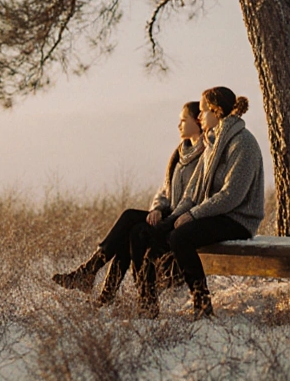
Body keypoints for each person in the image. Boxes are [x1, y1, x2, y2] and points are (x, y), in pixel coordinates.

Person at [51, 101, 207, 305]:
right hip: (167, 214)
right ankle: (99, 285)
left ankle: (93, 276)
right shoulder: (179, 153)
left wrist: (168, 216)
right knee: (131, 226)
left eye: (183, 120)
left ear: (198, 121)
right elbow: (164, 189)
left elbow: (193, 197)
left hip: (183, 220)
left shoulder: (206, 154)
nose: (179, 124)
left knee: (131, 222)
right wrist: (158, 208)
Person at [130, 86, 264, 319]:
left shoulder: (243, 143)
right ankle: (147, 305)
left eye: (203, 111)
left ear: (217, 111)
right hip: (212, 214)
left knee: (180, 236)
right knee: (143, 233)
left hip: (237, 219)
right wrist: (172, 219)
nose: (200, 116)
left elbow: (231, 195)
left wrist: (192, 216)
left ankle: (202, 306)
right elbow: (191, 195)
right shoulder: (212, 143)